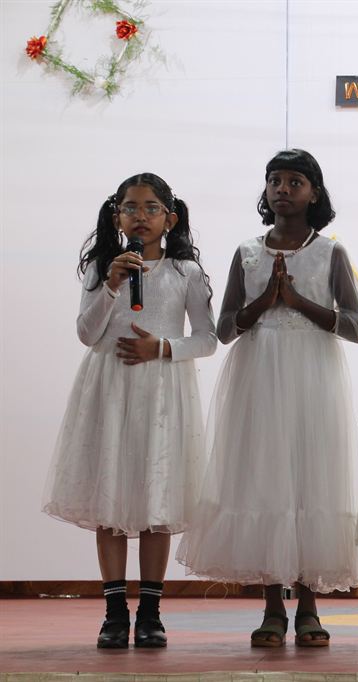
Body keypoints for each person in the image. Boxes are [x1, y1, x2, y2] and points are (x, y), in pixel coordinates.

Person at [176, 150, 358, 648]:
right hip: (259, 376)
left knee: (310, 482)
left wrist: (298, 302)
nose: (282, 189)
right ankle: (271, 608)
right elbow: (224, 329)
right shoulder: (247, 251)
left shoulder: (330, 252)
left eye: (294, 181)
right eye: (274, 181)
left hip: (313, 377)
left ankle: (308, 607)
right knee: (263, 481)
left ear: (314, 192)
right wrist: (264, 301)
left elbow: (355, 327)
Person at [44, 173, 216, 649]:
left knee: (157, 503)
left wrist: (162, 347)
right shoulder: (103, 269)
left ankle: (151, 613)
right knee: (111, 499)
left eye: (151, 207)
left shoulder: (186, 272)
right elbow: (87, 333)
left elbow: (207, 338)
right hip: (110, 389)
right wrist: (112, 286)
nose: (140, 216)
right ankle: (115, 612)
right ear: (116, 216)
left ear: (170, 218)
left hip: (162, 392)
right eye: (131, 208)